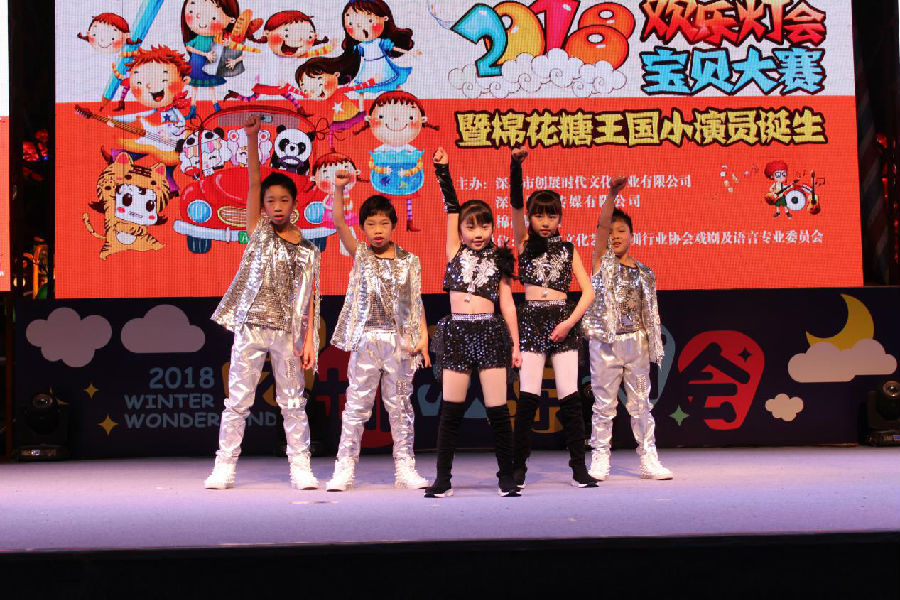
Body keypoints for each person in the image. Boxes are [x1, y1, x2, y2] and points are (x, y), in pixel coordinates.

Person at [204, 115, 321, 490]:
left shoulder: (308, 250)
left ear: (295, 204)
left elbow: (310, 299)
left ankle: (300, 467)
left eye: (284, 200)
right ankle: (224, 466)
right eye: (270, 201)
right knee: (238, 401)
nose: (276, 205)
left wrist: (308, 340)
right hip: (251, 327)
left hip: (287, 333)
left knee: (293, 401)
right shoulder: (258, 232)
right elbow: (254, 181)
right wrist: (252, 138)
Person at [324, 171, 431, 491]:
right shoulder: (360, 254)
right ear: (363, 228)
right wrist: (339, 188)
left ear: (393, 225)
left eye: (383, 223)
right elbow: (339, 221)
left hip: (400, 343)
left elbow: (415, 302)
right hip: (367, 340)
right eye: (371, 224)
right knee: (357, 406)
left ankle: (405, 468)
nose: (378, 230)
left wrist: (423, 338)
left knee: (400, 406)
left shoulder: (409, 261)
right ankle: (344, 469)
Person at [425, 147, 522, 498]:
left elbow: (507, 304)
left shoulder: (500, 258)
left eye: (484, 225)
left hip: (489, 333)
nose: (478, 232)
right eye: (471, 226)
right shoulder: (455, 250)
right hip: (457, 333)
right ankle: (443, 479)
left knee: (498, 411)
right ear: (462, 230)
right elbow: (451, 207)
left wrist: (516, 345)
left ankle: (506, 477)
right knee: (450, 411)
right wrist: (443, 171)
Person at [508, 147, 598, 488]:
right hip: (532, 320)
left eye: (552, 215)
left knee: (570, 398)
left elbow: (588, 292)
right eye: (539, 215)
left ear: (560, 218)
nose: (545, 222)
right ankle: (518, 468)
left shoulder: (568, 249)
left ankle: (579, 468)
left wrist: (568, 323)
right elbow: (515, 205)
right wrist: (515, 167)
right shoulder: (523, 243)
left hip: (563, 320)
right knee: (528, 398)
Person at [585, 184, 674, 481]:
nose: (615, 236)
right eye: (610, 231)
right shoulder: (601, 263)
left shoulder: (645, 272)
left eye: (621, 231)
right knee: (604, 404)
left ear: (632, 235)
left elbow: (650, 312)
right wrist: (612, 195)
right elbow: (602, 229)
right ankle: (600, 456)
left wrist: (649, 343)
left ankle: (648, 457)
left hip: (637, 343)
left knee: (641, 405)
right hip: (605, 344)